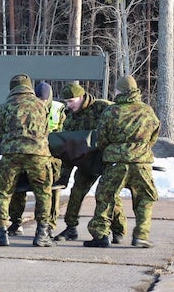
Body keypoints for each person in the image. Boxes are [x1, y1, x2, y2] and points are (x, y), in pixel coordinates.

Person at [84, 74, 159, 248]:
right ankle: (141, 235)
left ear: (120, 91)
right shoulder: (147, 110)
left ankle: (101, 235)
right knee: (145, 199)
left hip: (116, 163)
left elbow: (101, 138)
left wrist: (111, 151)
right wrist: (140, 150)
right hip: (141, 163)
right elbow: (154, 135)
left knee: (106, 197)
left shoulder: (111, 111)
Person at [0, 74, 55, 247]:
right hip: (38, 154)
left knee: (3, 193)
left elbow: (0, 133)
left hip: (11, 154)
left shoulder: (6, 106)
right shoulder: (41, 104)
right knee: (43, 193)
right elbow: (46, 132)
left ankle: (1, 233)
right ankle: (42, 233)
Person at [53, 82, 125, 242]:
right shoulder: (70, 119)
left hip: (108, 160)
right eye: (66, 102)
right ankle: (70, 228)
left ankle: (118, 231)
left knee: (111, 196)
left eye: (71, 101)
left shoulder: (103, 107)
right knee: (76, 192)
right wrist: (64, 176)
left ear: (81, 97)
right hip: (86, 162)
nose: (68, 105)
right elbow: (68, 149)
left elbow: (121, 127)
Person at [6, 80, 64, 235]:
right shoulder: (31, 105)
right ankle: (16, 221)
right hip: (34, 153)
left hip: (50, 156)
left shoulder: (58, 110)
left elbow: (64, 133)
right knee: (18, 188)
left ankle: (48, 225)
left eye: (44, 100)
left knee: (49, 191)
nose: (42, 103)